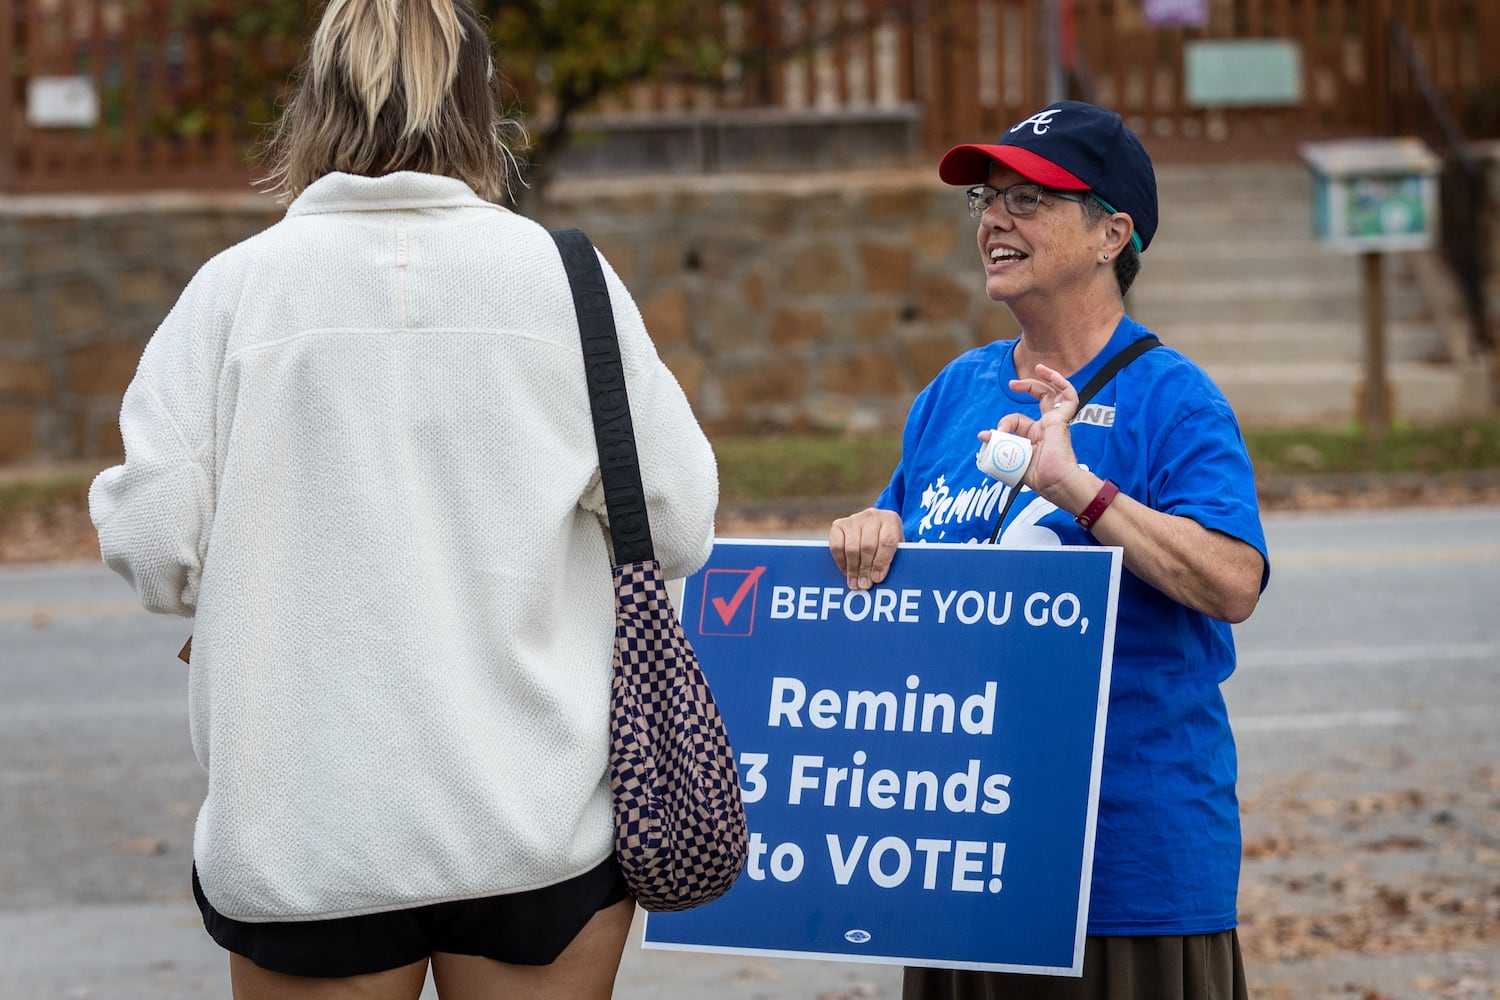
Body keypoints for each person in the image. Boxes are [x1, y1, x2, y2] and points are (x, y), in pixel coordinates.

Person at [88, 1, 718, 997]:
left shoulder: (232, 292)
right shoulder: (567, 282)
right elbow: (678, 522)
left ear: (315, 108)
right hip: (534, 821)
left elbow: (155, 542)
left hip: (308, 831)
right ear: (480, 107)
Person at [828, 100, 1270, 999]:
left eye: (1029, 200)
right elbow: (899, 578)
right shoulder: (955, 392)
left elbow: (1233, 583)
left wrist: (1079, 488)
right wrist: (869, 538)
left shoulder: (1174, 399)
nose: (994, 219)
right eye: (987, 201)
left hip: (1125, 868)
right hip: (967, 855)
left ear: (1112, 233)